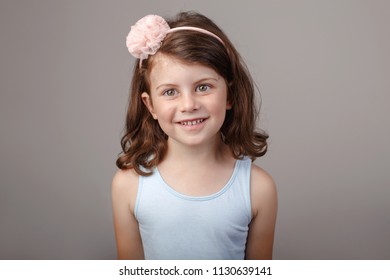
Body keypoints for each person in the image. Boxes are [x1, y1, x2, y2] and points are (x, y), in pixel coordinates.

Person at [112, 11, 277, 260]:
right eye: (170, 92)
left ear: (230, 95)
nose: (188, 105)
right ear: (150, 106)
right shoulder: (128, 184)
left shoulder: (258, 188)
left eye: (203, 87)